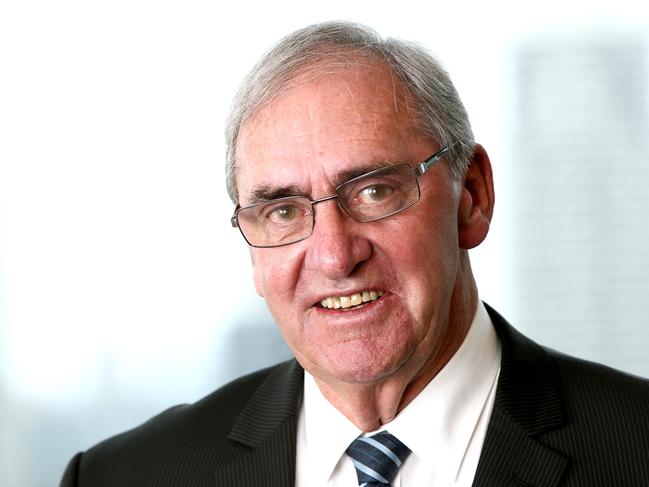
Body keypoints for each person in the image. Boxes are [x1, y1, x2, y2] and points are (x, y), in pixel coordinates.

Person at [60, 21, 649, 486]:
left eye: (374, 191)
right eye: (283, 210)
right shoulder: (124, 477)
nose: (335, 256)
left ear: (471, 197)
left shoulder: (634, 451)